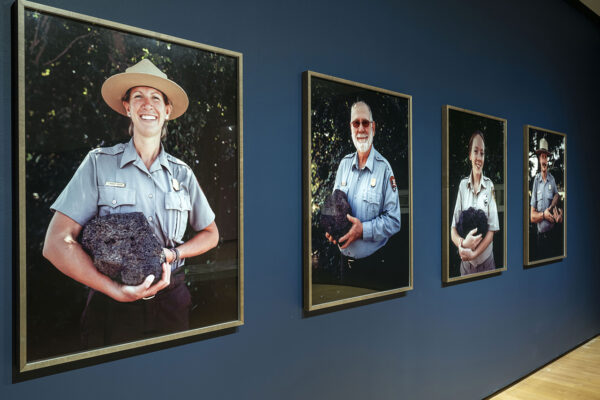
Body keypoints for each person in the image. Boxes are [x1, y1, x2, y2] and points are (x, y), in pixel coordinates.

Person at [42, 59, 219, 346]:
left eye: (155, 98)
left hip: (171, 304)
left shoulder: (182, 173)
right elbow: (55, 243)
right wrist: (114, 290)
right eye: (138, 96)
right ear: (127, 107)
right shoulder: (98, 164)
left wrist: (172, 254)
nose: (147, 104)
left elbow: (212, 234)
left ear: (167, 110)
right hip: (112, 309)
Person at [325, 101, 401, 289]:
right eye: (355, 123)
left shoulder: (384, 169)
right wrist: (332, 229)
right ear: (350, 127)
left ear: (373, 127)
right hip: (344, 266)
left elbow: (394, 221)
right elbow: (335, 209)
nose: (360, 128)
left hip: (374, 267)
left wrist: (363, 230)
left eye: (365, 123)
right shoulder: (344, 165)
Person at [450, 130, 499, 276]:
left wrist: (474, 253)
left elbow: (491, 232)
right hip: (466, 267)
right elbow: (452, 230)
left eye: (482, 153)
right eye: (476, 152)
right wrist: (462, 244)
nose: (479, 157)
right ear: (470, 155)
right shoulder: (462, 186)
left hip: (487, 265)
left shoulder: (489, 186)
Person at [529, 137, 563, 260]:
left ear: (548, 160)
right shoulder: (535, 181)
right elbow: (532, 217)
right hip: (541, 239)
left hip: (554, 236)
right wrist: (544, 214)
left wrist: (559, 213)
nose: (544, 160)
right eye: (542, 157)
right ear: (539, 159)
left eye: (546, 157)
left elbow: (557, 198)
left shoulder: (552, 180)